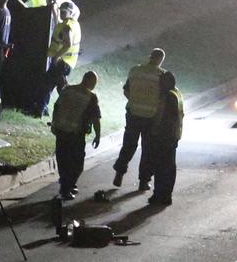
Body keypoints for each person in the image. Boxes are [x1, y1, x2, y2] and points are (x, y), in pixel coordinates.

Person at [113, 48, 167, 190]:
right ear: (161, 60)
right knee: (148, 150)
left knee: (129, 145)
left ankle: (119, 172)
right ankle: (144, 181)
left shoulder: (135, 71)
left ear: (150, 57)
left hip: (133, 114)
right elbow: (162, 100)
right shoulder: (162, 75)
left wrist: (134, 101)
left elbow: (126, 90)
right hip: (150, 117)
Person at [51, 71, 101, 200]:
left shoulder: (67, 90)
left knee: (63, 160)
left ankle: (66, 184)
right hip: (75, 134)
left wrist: (54, 124)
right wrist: (98, 135)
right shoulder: (91, 97)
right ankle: (66, 188)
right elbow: (96, 118)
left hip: (61, 131)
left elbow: (56, 107)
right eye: (94, 83)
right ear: (90, 82)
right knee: (76, 163)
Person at [36, 1, 81, 118]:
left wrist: (57, 56)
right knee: (59, 87)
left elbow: (68, 43)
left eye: (63, 11)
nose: (61, 13)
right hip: (66, 62)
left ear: (70, 12)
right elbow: (59, 27)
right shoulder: (72, 23)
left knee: (47, 84)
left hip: (62, 62)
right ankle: (67, 109)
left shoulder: (67, 27)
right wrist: (55, 13)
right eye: (60, 10)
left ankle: (40, 110)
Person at [148, 71, 183, 206]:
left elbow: (160, 116)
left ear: (166, 83)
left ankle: (158, 195)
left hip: (163, 136)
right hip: (174, 135)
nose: (159, 84)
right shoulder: (177, 94)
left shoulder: (167, 96)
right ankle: (167, 196)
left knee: (160, 167)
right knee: (169, 167)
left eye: (161, 81)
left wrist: (153, 130)